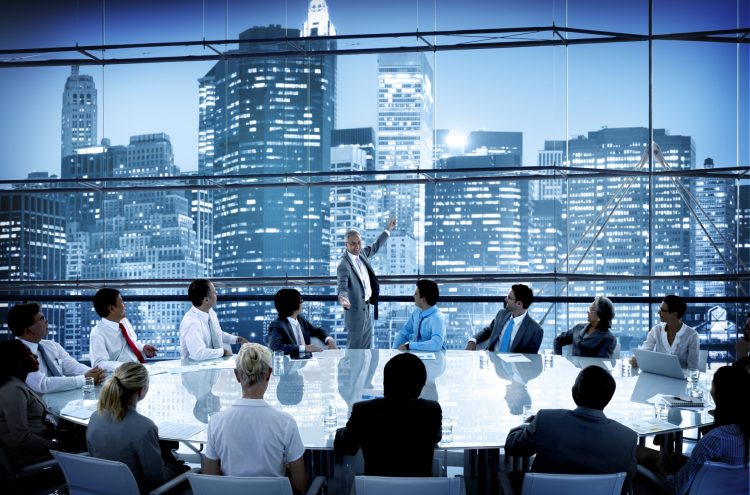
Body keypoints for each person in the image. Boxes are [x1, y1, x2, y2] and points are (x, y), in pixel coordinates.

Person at [505, 365, 637, 495]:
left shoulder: (546, 420)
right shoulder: (627, 438)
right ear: (608, 398)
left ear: (575, 391)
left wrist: (528, 425)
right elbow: (624, 485)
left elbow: (513, 447)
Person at [203, 343, 309, 494]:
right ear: (269, 374)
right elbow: (300, 485)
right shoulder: (286, 423)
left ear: (237, 375)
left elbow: (210, 482)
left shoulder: (216, 423)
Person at [637, 365, 750, 495]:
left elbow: (675, 489)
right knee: (667, 458)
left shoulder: (715, 439)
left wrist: (660, 469)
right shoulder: (740, 434)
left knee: (638, 454)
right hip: (724, 487)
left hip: (690, 489)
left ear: (718, 392)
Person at [334, 352, 442, 477]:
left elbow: (347, 447)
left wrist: (350, 427)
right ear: (420, 387)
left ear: (386, 383)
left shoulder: (364, 411)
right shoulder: (432, 410)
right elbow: (436, 437)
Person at [86, 362, 187, 494]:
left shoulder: (95, 417)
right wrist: (179, 469)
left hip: (103, 488)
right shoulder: (145, 427)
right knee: (186, 469)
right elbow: (157, 478)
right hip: (139, 490)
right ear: (141, 390)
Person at [7, 303, 105, 394]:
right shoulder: (16, 354)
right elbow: (43, 385)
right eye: (41, 319)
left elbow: (73, 366)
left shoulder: (52, 345)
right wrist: (84, 379)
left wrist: (97, 373)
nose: (46, 321)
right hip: (42, 408)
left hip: (65, 400)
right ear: (28, 331)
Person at [0, 340, 61, 469]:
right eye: (29, 353)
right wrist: (58, 447)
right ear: (17, 361)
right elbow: (21, 437)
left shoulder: (19, 384)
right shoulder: (13, 389)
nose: (36, 356)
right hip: (32, 459)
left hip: (38, 450)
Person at [336, 218, 396, 349]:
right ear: (346, 244)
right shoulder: (344, 265)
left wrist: (388, 230)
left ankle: (364, 370)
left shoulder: (361, 253)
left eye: (359, 243)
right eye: (353, 244)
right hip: (356, 311)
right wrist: (342, 296)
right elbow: (342, 284)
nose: (357, 246)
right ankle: (351, 370)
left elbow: (375, 246)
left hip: (367, 308)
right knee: (354, 349)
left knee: (367, 348)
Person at [90, 288, 158, 371]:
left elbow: (132, 343)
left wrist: (142, 348)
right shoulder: (97, 334)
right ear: (111, 308)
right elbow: (99, 364)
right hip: (122, 376)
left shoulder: (124, 321)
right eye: (121, 302)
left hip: (139, 369)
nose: (124, 305)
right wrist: (127, 366)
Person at [179, 279, 248, 361]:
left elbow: (217, 333)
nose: (216, 294)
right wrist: (222, 352)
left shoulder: (210, 312)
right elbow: (198, 354)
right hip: (194, 369)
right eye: (214, 292)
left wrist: (237, 339)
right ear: (206, 300)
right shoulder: (192, 323)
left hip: (212, 363)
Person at [465, 284, 543, 354]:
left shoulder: (535, 331)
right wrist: (473, 340)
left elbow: (531, 360)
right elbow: (488, 330)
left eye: (509, 298)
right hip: (491, 362)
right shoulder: (501, 314)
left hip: (514, 368)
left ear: (519, 304)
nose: (505, 299)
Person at [631, 295, 699, 370]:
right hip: (658, 377)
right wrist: (637, 359)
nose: (658, 312)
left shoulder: (692, 335)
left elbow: (693, 368)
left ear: (675, 314)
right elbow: (644, 353)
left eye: (662, 310)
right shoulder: (656, 330)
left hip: (681, 380)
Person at [268, 288, 336, 357]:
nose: (302, 302)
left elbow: (317, 330)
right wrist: (304, 348)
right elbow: (275, 347)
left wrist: (329, 339)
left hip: (307, 362)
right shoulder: (277, 325)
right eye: (301, 300)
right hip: (291, 364)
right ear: (293, 304)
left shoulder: (300, 319)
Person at [392, 279, 445, 352]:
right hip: (416, 356)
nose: (413, 296)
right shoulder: (416, 312)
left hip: (434, 359)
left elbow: (436, 344)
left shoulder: (437, 318)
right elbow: (404, 333)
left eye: (416, 294)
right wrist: (393, 350)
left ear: (423, 300)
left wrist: (410, 346)